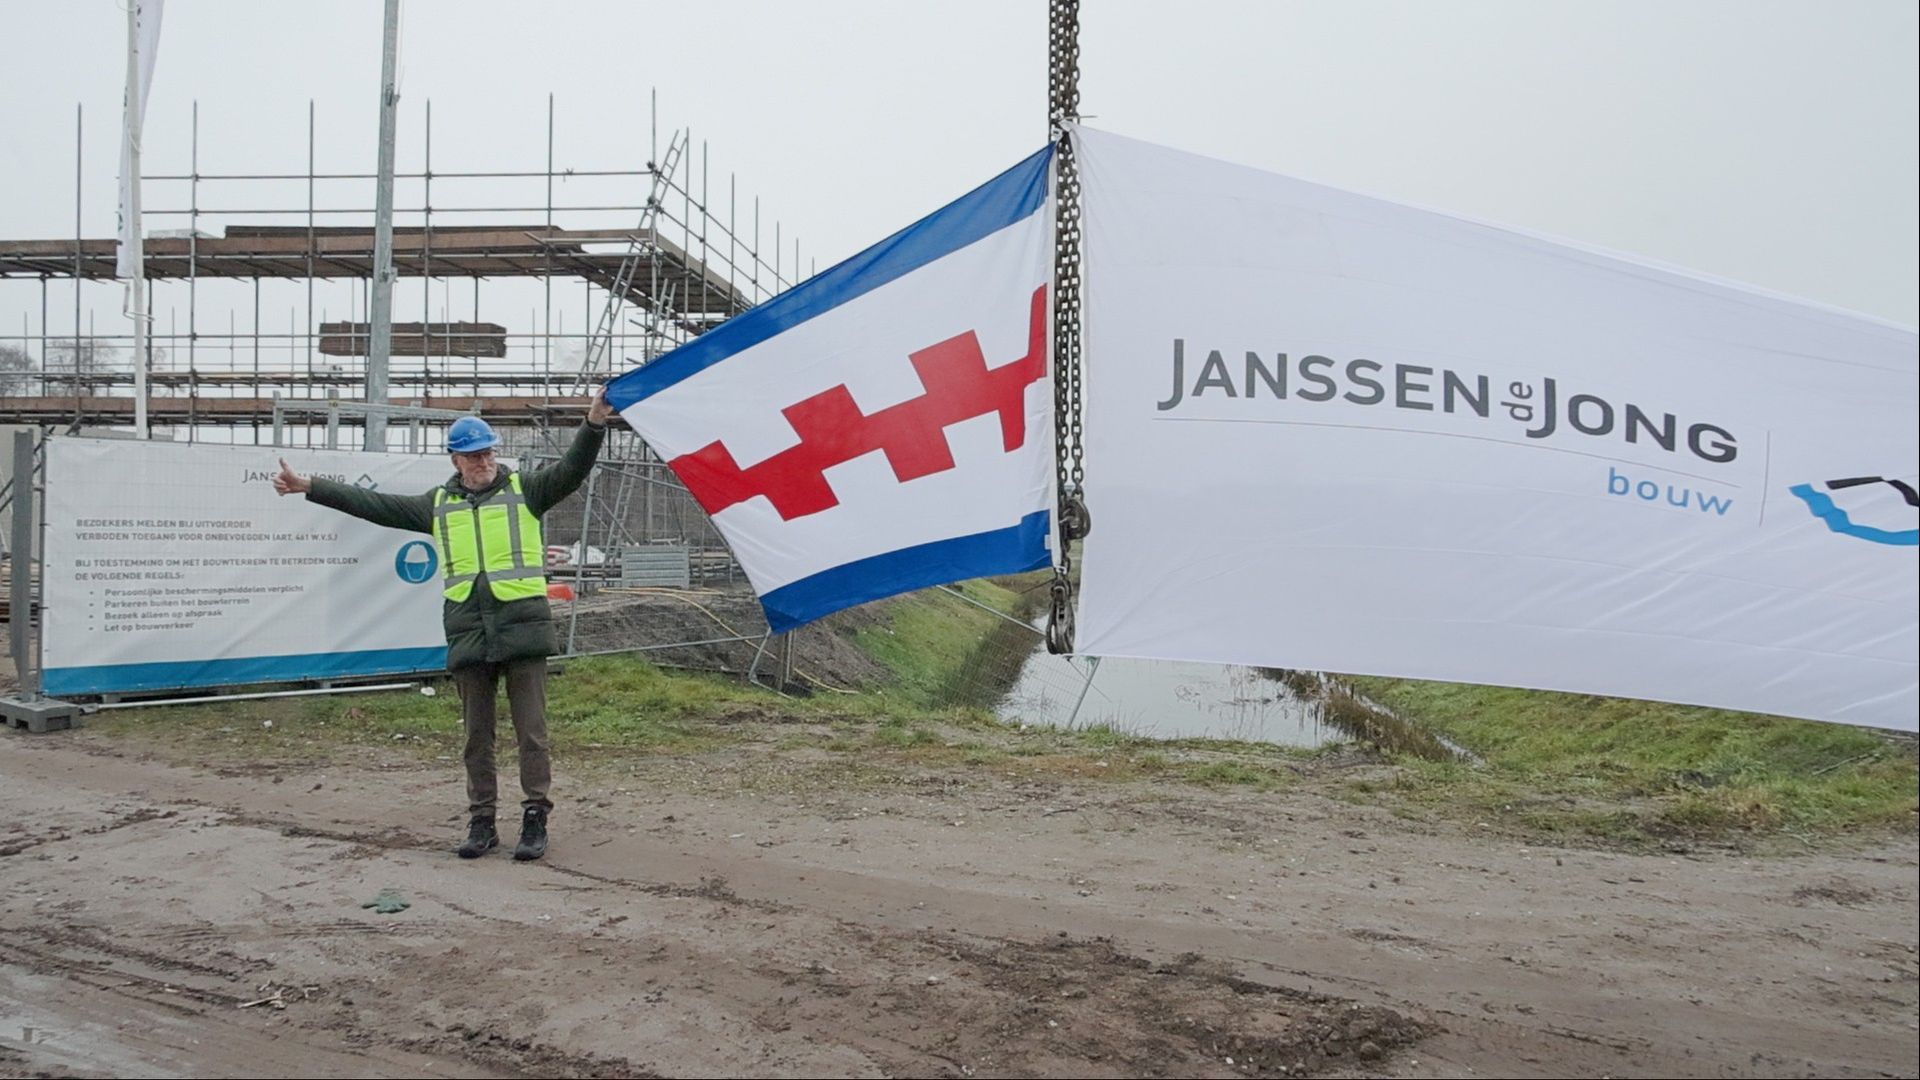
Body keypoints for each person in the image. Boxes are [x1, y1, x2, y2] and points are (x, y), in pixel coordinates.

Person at [272, 390, 613, 861]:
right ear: (455, 459)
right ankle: (482, 822)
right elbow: (373, 505)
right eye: (474, 455)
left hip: (523, 630)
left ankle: (535, 817)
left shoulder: (527, 491)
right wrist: (310, 486)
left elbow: (573, 470)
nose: (484, 462)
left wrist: (593, 422)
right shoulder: (437, 506)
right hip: (470, 634)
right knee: (477, 736)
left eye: (488, 452)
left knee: (531, 733)